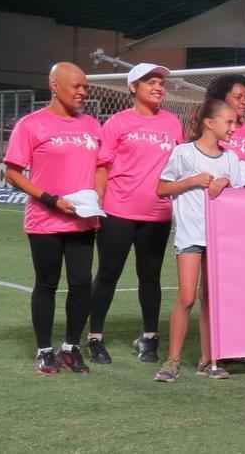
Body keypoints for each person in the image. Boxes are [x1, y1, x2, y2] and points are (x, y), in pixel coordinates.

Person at [4, 62, 104, 375]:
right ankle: (45, 350)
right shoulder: (31, 125)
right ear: (54, 85)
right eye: (76, 86)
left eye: (85, 86)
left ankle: (71, 348)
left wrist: (96, 197)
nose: (82, 91)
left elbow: (102, 165)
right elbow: (12, 173)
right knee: (47, 283)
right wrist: (51, 200)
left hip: (83, 220)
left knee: (81, 284)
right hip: (45, 221)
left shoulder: (92, 125)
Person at [154, 99, 245, 382]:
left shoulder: (231, 159)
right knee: (187, 296)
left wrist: (225, 182)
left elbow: (237, 195)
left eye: (235, 122)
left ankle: (209, 358)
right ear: (209, 123)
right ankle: (172, 360)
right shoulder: (183, 153)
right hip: (190, 235)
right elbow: (162, 189)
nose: (234, 128)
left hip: (219, 238)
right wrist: (191, 181)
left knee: (210, 299)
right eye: (229, 122)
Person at [89, 63, 183, 365]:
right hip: (117, 211)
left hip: (157, 214)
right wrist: (97, 202)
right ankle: (95, 338)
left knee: (150, 277)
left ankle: (150, 338)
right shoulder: (117, 123)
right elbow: (102, 166)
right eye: (150, 82)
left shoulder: (173, 123)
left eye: (160, 83)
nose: (158, 87)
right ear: (133, 87)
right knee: (108, 274)